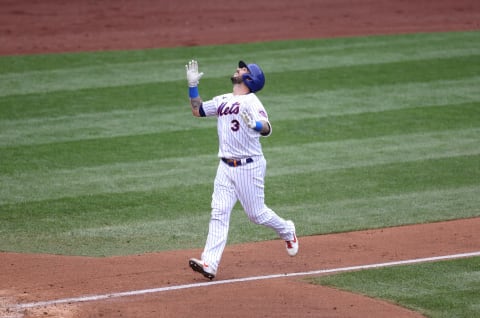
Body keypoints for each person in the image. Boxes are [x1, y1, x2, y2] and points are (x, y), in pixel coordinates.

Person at [185, 59, 298, 280]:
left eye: (243, 69)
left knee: (256, 215)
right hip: (225, 166)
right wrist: (192, 86)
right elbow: (197, 110)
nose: (238, 69)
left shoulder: (252, 101)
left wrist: (254, 124)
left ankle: (287, 230)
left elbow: (266, 128)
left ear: (250, 79)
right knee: (219, 213)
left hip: (249, 166)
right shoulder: (223, 99)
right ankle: (209, 263)